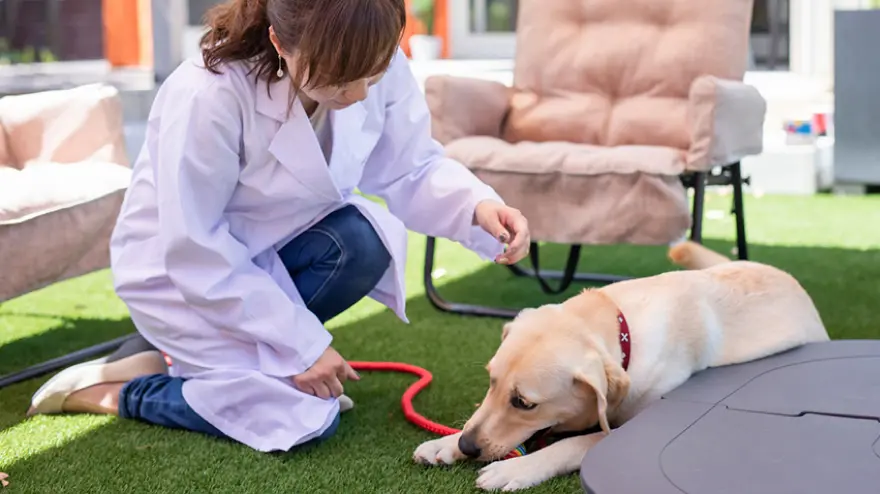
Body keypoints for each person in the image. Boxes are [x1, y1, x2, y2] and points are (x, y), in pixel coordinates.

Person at [25, 0, 530, 453]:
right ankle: (123, 390)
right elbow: (195, 248)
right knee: (305, 415)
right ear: (279, 42)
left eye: (371, 78)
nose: (356, 95)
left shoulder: (374, 55)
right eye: (337, 78)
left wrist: (477, 207)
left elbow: (410, 165)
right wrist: (299, 343)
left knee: (364, 241)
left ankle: (182, 359)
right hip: (180, 277)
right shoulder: (207, 95)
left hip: (276, 251)